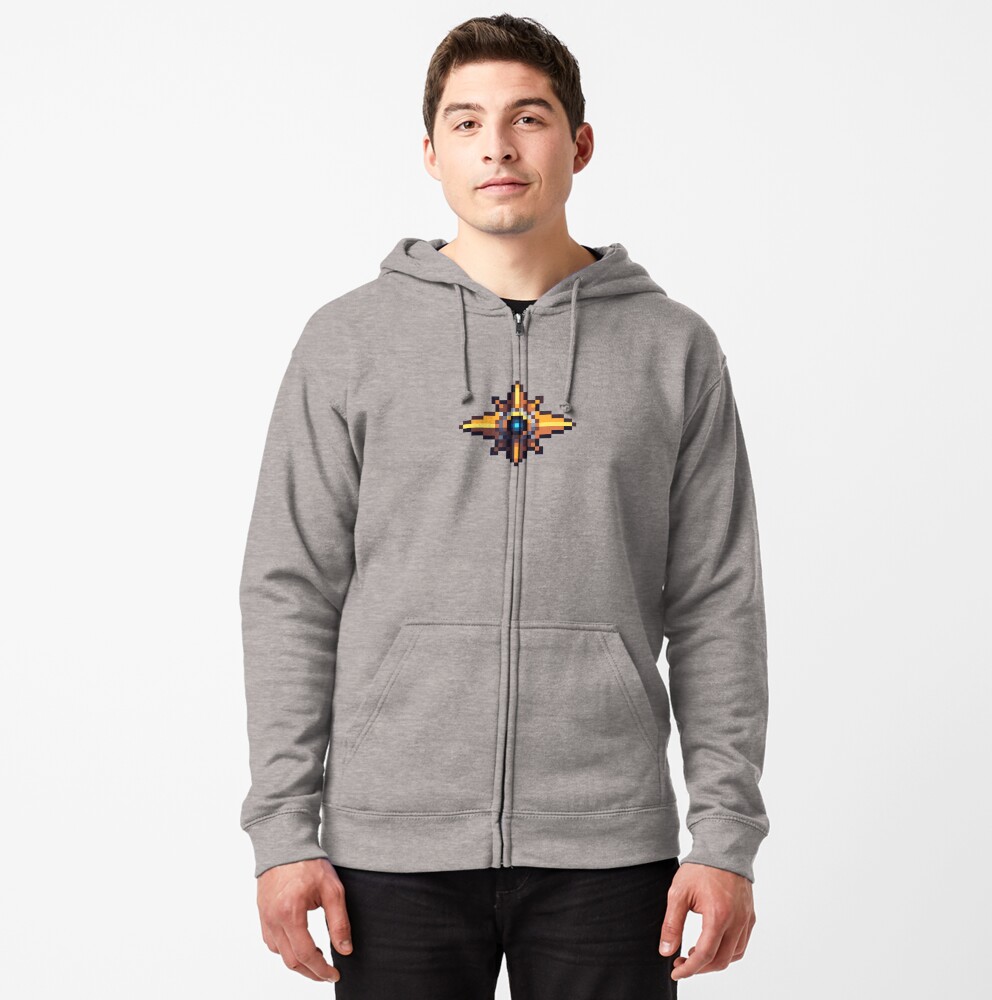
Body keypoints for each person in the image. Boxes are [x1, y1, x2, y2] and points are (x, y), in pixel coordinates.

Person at [238, 13, 770, 998]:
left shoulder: (672, 348)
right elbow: (290, 588)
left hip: (610, 847)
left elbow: (716, 600)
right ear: (431, 152)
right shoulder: (348, 341)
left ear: (579, 144)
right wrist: (282, 830)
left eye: (528, 118)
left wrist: (726, 834)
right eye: (467, 121)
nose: (497, 146)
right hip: (389, 846)